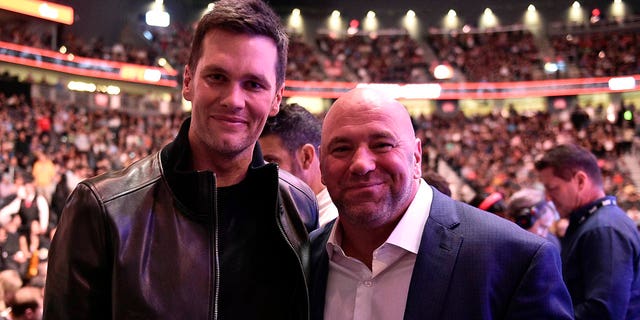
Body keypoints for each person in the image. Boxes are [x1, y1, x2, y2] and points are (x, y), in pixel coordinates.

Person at [43, 1, 318, 318]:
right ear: (188, 81)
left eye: (254, 84)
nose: (233, 100)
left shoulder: (299, 206)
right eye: (216, 77)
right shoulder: (103, 209)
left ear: (276, 99)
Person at [309, 88, 573, 319]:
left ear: (416, 157)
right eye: (341, 149)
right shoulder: (302, 260)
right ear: (321, 164)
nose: (361, 164)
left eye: (382, 144)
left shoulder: (516, 259)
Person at [535, 143, 640, 320]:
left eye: (553, 188)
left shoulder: (605, 229)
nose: (548, 197)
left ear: (581, 181)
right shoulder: (596, 222)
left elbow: (604, 312)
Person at [260, 103, 337, 227]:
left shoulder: (333, 224)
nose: (260, 174)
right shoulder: (288, 211)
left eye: (270, 162)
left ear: (306, 157)